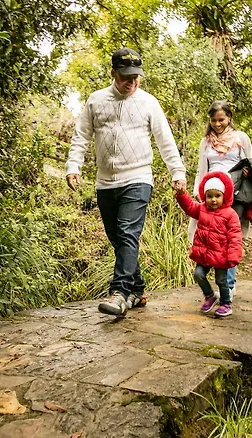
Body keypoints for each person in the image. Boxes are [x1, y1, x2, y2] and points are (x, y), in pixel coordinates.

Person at [66, 48, 186, 316]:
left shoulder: (148, 103)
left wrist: (177, 172)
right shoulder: (96, 100)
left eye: (136, 77)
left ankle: (119, 293)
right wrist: (73, 166)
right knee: (118, 239)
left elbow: (165, 140)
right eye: (125, 77)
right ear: (113, 73)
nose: (131, 82)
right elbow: (81, 136)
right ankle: (138, 289)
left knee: (127, 233)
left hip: (138, 177)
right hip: (105, 182)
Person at [190, 100, 252, 300]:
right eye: (213, 120)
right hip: (212, 194)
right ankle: (218, 281)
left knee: (230, 238)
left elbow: (251, 163)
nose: (217, 124)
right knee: (212, 237)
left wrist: (248, 172)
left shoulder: (241, 138)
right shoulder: (206, 141)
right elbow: (202, 167)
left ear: (229, 118)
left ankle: (229, 285)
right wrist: (198, 191)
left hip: (235, 193)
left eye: (221, 120)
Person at [176, 171, 242, 317]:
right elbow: (189, 207)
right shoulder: (202, 209)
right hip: (204, 253)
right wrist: (182, 194)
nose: (213, 200)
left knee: (221, 280)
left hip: (221, 255)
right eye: (209, 196)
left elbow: (235, 236)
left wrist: (233, 254)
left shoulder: (230, 214)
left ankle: (226, 303)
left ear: (224, 196)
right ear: (205, 196)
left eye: (217, 196)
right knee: (198, 274)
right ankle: (210, 296)